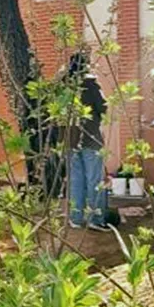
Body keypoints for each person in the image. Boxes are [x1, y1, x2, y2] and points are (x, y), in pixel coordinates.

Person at [65, 51, 108, 230]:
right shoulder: (90, 84)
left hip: (70, 139)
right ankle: (95, 219)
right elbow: (103, 107)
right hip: (90, 138)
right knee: (94, 179)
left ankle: (75, 218)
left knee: (75, 180)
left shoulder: (64, 85)